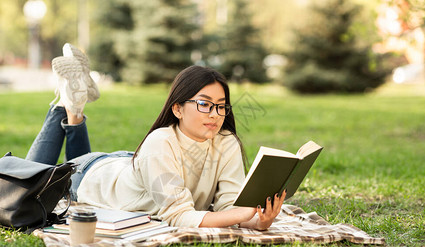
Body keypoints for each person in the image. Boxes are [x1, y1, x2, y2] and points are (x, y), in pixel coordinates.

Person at [27, 43, 285, 230]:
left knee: (62, 165)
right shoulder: (160, 142)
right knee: (27, 182)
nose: (215, 114)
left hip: (134, 167)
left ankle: (74, 106)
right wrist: (242, 214)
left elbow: (230, 205)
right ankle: (66, 102)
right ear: (177, 108)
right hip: (93, 178)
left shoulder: (225, 141)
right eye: (204, 104)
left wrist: (259, 221)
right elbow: (179, 216)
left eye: (221, 105)